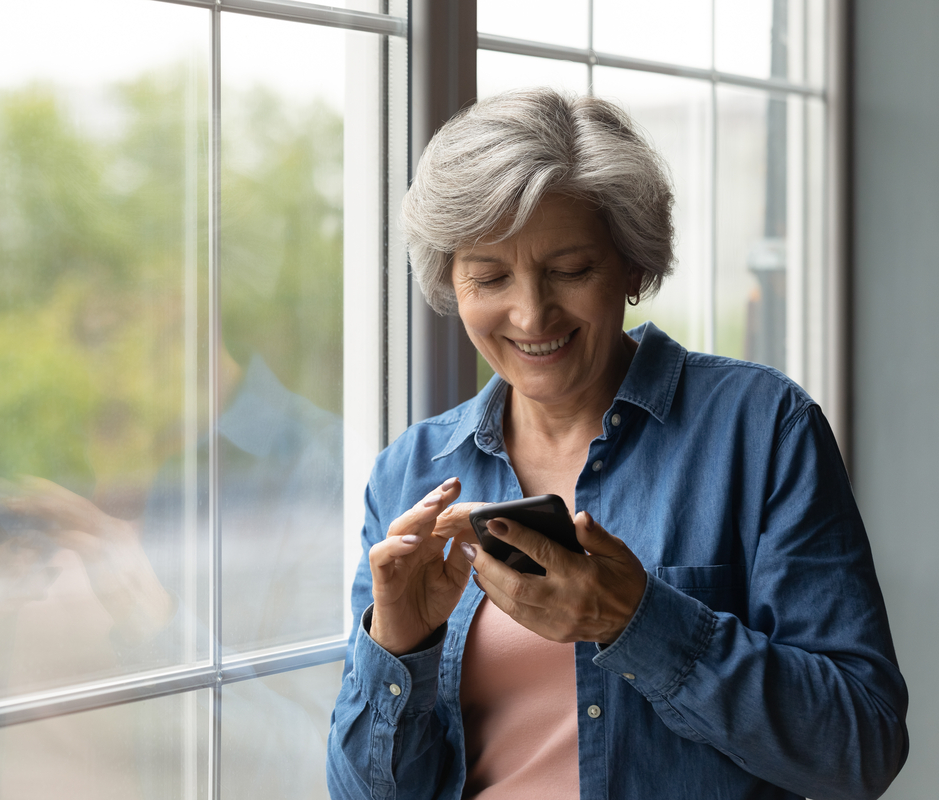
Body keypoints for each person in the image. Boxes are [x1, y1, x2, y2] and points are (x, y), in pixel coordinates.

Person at [326, 88, 908, 800]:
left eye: (570, 270)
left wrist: (636, 621)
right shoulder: (412, 471)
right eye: (489, 275)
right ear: (451, 280)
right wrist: (397, 648)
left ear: (633, 266)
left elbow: (862, 749)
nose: (531, 313)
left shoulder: (762, 428)